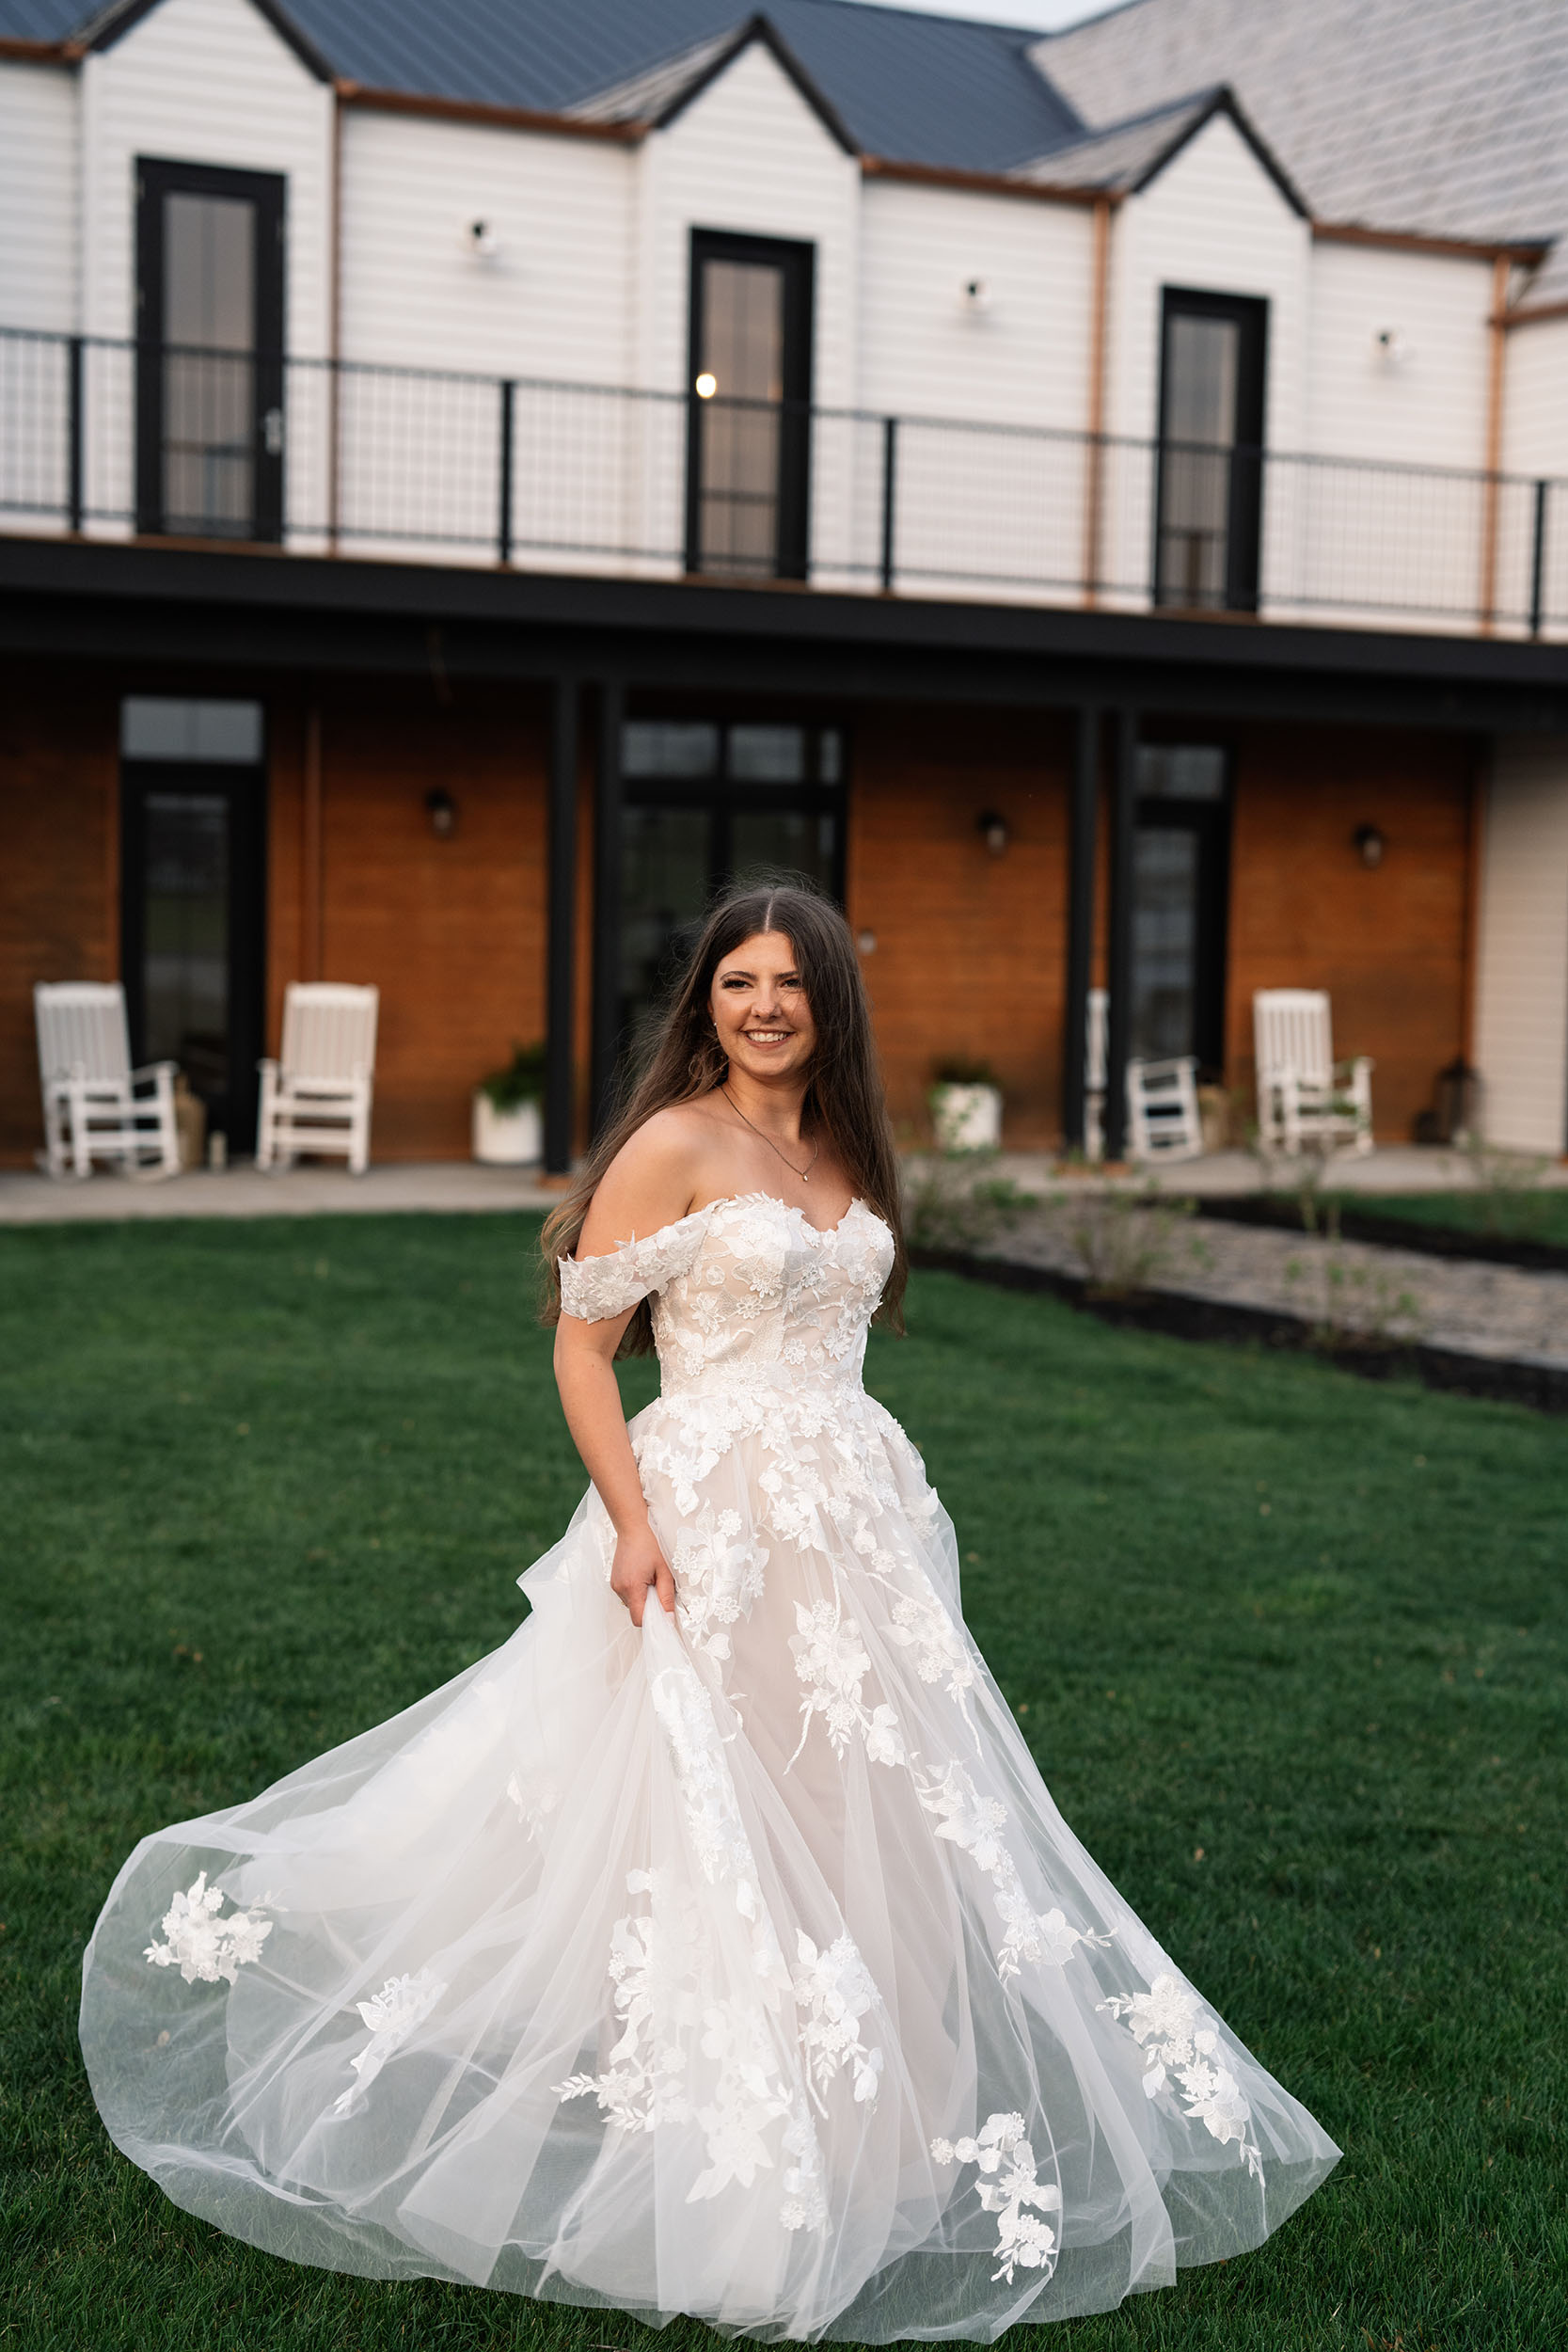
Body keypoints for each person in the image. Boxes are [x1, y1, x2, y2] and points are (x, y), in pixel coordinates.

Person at [80, 881, 1338, 2340]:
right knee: (719, 1817)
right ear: (706, 1000)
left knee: (878, 1818)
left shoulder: (847, 1147)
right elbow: (581, 1346)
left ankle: (884, 2118)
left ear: (828, 1006)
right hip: (711, 1525)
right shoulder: (674, 1142)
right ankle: (734, 2151)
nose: (764, 1005)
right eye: (738, 980)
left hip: (857, 1530)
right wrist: (631, 1522)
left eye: (791, 983)